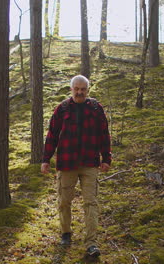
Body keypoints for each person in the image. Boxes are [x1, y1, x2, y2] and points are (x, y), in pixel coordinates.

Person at [41, 75, 111, 258]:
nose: (80, 92)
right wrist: (45, 159)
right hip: (67, 163)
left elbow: (104, 134)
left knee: (91, 202)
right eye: (77, 89)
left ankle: (91, 243)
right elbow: (52, 136)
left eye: (83, 89)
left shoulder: (96, 108)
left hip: (90, 163)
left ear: (88, 90)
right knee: (64, 201)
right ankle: (66, 233)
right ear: (71, 89)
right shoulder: (62, 109)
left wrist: (106, 158)